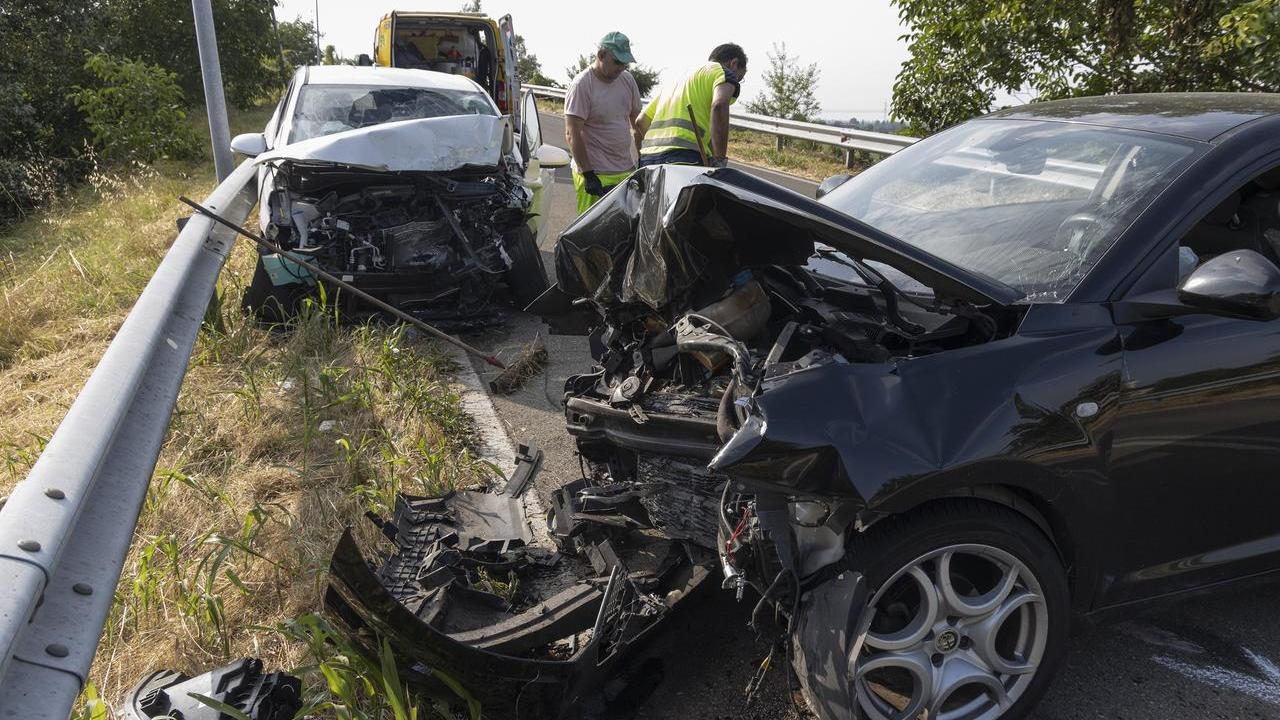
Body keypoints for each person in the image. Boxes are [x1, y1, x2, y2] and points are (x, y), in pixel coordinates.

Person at [563, 32, 643, 213]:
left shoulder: (627, 80)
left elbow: (637, 124)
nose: (621, 68)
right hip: (596, 174)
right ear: (601, 55)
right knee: (593, 227)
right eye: (617, 62)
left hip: (625, 170)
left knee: (626, 225)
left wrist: (643, 158)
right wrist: (588, 174)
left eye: (625, 63)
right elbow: (572, 133)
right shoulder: (582, 84)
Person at [634, 43, 747, 169]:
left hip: (649, 158)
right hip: (684, 157)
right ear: (734, 63)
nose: (737, 81)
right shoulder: (722, 72)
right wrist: (719, 160)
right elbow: (719, 105)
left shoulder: (677, 79)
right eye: (740, 77)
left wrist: (658, 147)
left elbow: (641, 121)